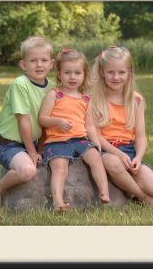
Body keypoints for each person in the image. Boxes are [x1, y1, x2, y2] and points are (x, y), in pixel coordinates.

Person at [91, 46, 153, 206]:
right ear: (102, 72)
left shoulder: (136, 100)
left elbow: (140, 136)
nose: (116, 77)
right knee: (114, 163)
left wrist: (138, 157)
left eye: (121, 72)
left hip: (129, 150)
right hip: (105, 149)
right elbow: (96, 136)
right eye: (111, 72)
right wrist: (118, 154)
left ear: (129, 73)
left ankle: (141, 192)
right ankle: (144, 198)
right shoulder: (95, 100)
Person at [39, 48, 110, 211]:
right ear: (59, 74)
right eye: (67, 73)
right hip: (57, 141)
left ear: (84, 75)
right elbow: (42, 118)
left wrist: (96, 142)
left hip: (80, 140)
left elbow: (90, 126)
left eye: (77, 73)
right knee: (60, 168)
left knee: (96, 160)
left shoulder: (86, 99)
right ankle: (58, 202)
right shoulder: (55, 95)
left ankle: (104, 192)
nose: (72, 77)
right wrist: (57, 122)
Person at [0, 36, 55, 206]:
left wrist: (40, 147)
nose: (39, 65)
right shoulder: (20, 84)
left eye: (44, 60)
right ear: (23, 64)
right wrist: (32, 152)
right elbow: (23, 121)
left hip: (35, 142)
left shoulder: (52, 87)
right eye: (33, 60)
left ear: (51, 64)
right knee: (27, 170)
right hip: (10, 144)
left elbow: (47, 121)